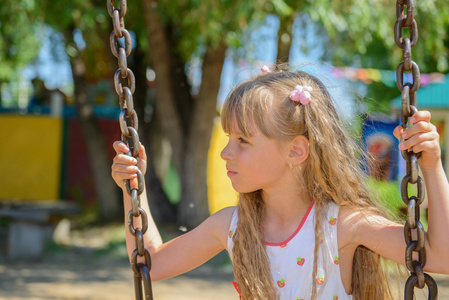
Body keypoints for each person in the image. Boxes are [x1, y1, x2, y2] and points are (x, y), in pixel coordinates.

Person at [111, 67, 449, 299]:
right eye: (229, 138)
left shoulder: (342, 225)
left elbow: (440, 258)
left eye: (243, 140)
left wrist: (432, 167)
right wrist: (132, 189)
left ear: (296, 151)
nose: (226, 153)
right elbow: (150, 264)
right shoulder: (232, 226)